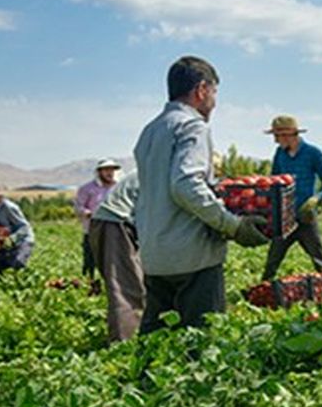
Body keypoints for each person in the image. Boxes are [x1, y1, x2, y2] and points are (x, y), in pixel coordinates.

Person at [133, 55, 268, 333]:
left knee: (156, 347)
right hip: (193, 258)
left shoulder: (151, 130)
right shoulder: (192, 126)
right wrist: (233, 225)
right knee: (201, 350)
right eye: (215, 93)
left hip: (155, 254)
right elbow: (185, 184)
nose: (214, 102)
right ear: (202, 90)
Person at [260, 115, 322, 281]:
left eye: (277, 136)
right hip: (285, 218)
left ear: (289, 134)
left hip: (306, 217)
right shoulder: (279, 154)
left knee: (319, 260)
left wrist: (317, 198)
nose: (275, 141)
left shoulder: (313, 153)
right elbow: (274, 181)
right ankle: (261, 293)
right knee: (272, 261)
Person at [89, 172, 143, 341]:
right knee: (125, 288)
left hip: (115, 223)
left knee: (133, 283)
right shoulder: (173, 172)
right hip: (116, 223)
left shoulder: (156, 165)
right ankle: (124, 348)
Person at [74, 158, 121, 280]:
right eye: (106, 170)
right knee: (90, 260)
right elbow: (78, 207)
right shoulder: (87, 188)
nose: (109, 172)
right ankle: (89, 285)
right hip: (92, 230)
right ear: (99, 172)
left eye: (111, 169)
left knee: (113, 261)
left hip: (114, 230)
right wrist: (89, 213)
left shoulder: (118, 187)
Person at [0, 182, 35, 272]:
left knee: (18, 262)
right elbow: (2, 225)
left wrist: (12, 238)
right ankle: (1, 283)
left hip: (24, 240)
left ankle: (21, 282)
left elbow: (24, 227)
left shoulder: (9, 207)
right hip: (9, 242)